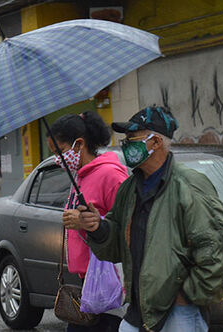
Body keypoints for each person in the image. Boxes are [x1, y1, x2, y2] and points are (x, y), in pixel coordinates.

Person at [75, 106, 223, 332]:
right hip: (137, 312)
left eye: (133, 138)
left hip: (180, 313)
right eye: (126, 138)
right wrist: (98, 228)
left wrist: (188, 295)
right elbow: (116, 247)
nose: (127, 144)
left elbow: (215, 248)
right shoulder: (129, 190)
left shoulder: (189, 186)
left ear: (155, 142)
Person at [48, 111, 129, 332]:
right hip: (85, 280)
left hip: (108, 282)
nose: (58, 159)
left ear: (79, 144)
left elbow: (128, 225)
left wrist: (88, 223)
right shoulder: (80, 176)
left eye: (60, 151)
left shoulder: (110, 176)